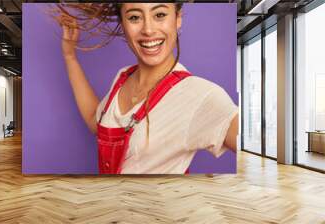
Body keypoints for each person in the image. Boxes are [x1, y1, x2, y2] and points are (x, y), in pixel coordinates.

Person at [57, 3, 239, 174]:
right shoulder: (123, 77)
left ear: (177, 18)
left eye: (159, 15)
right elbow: (94, 122)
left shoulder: (200, 95)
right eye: (135, 17)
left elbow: (255, 149)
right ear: (122, 24)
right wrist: (69, 56)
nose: (148, 30)